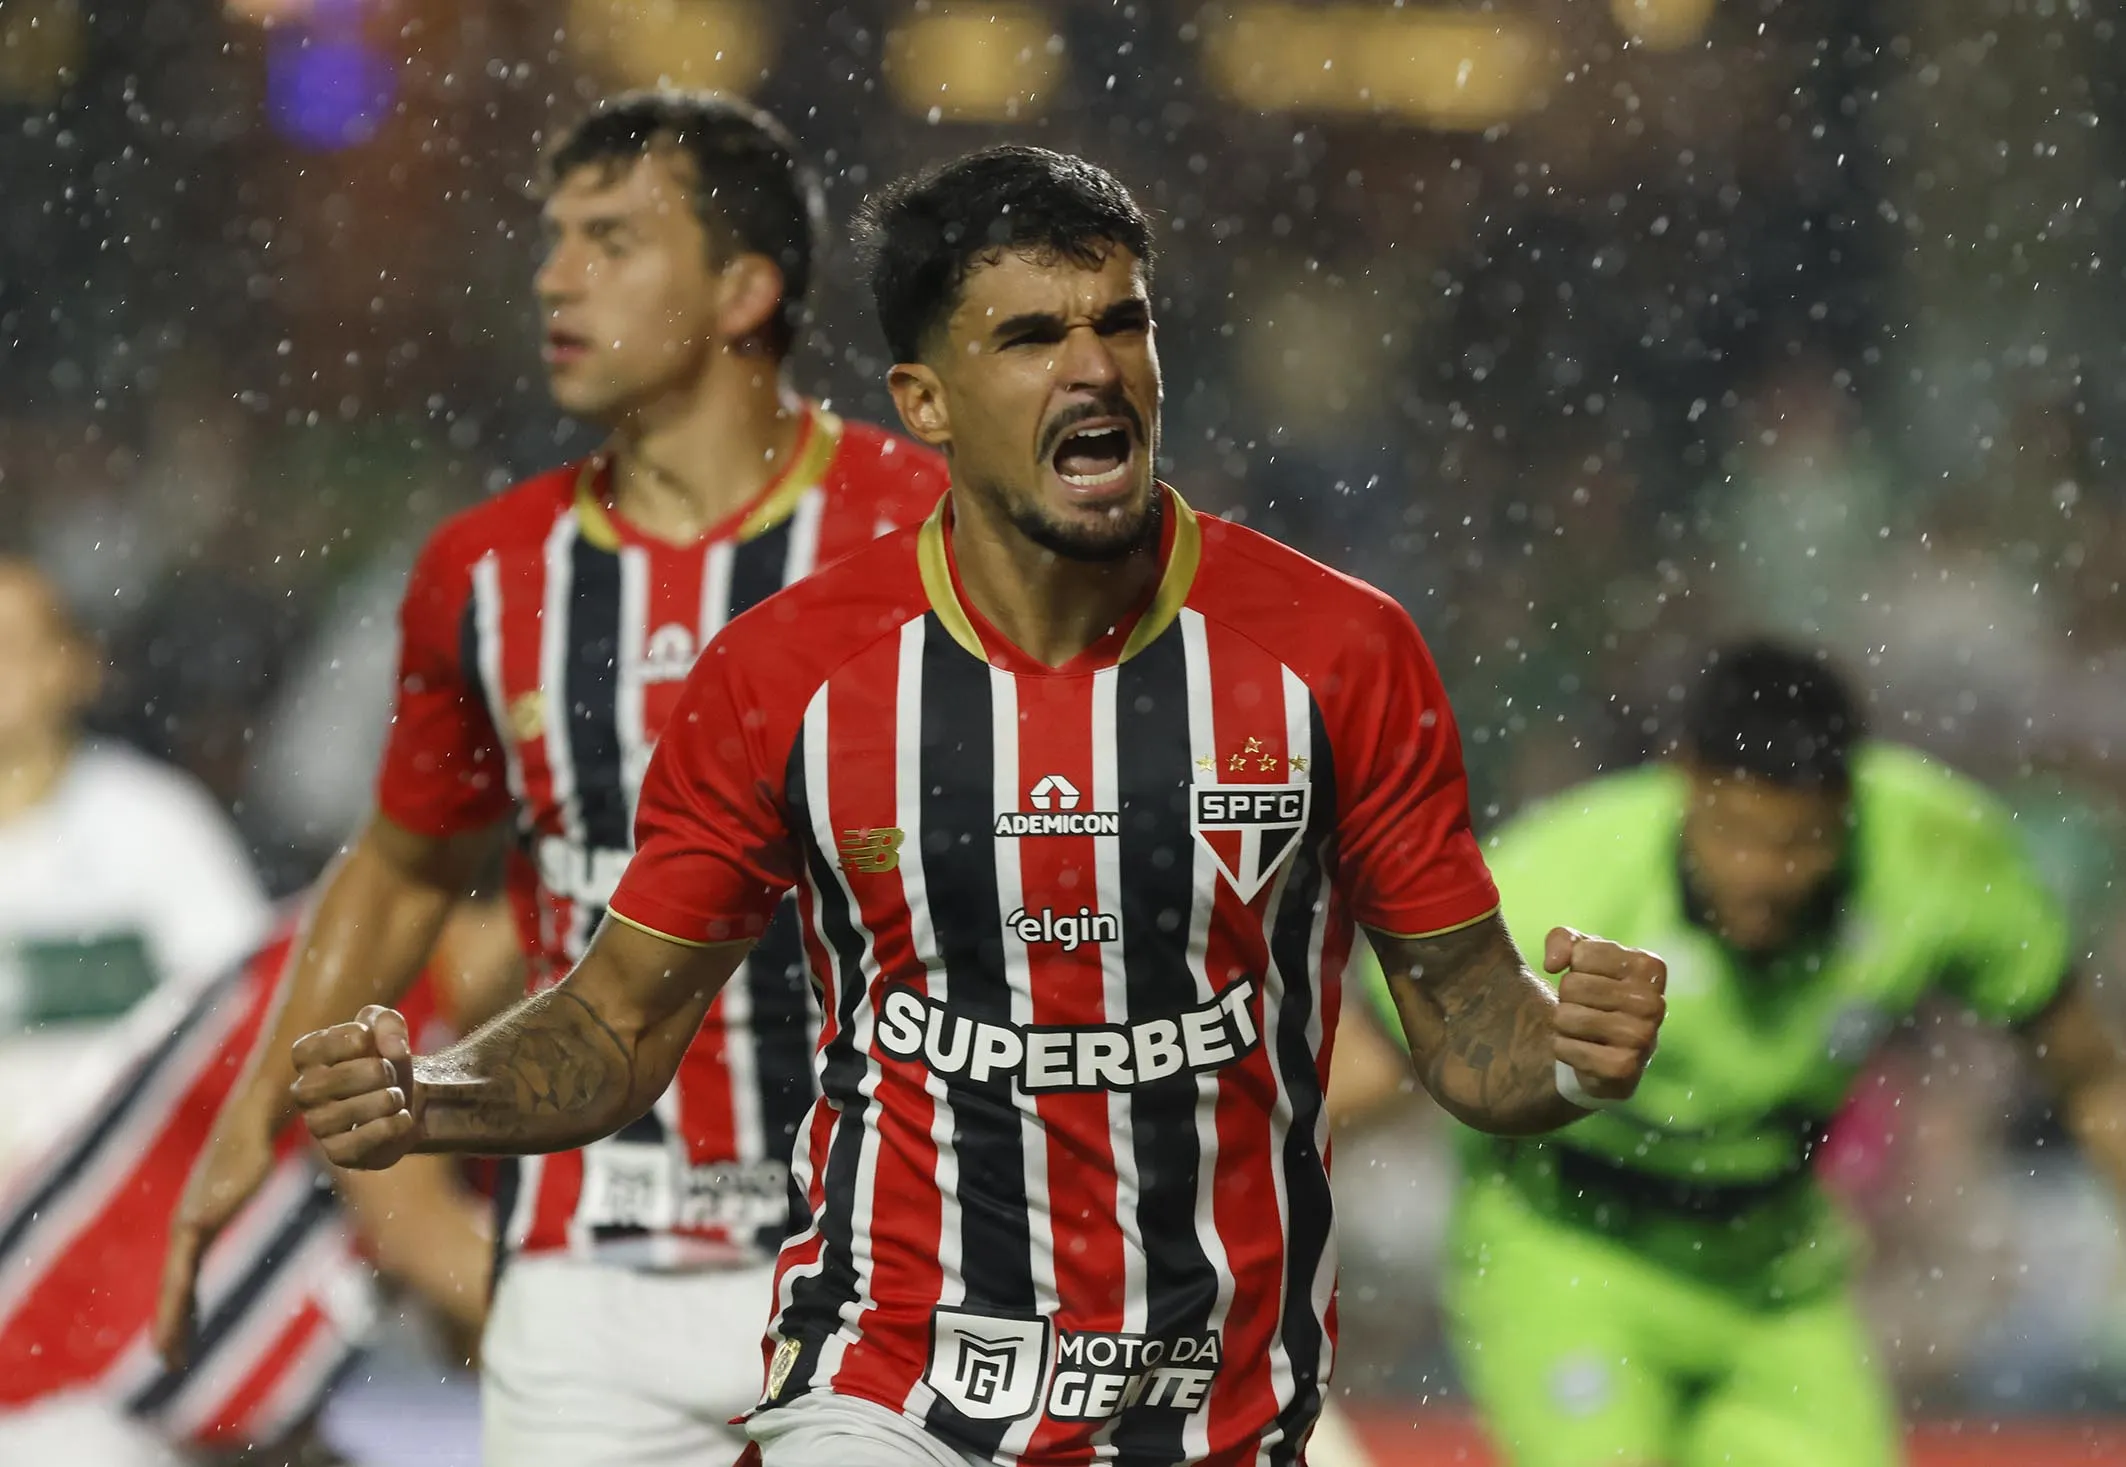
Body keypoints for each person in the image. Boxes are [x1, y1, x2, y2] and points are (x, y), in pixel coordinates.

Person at [286, 144, 1668, 1467]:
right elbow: (616, 1018)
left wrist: (1565, 1058)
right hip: (889, 1379)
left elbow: (1465, 1022)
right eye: (1029, 336)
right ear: (924, 399)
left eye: (1119, 322)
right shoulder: (788, 675)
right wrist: (437, 1093)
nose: (1093, 368)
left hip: (1209, 1401)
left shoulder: (1338, 652)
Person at [159, 90, 949, 1464]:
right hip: (585, 1277)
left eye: (612, 239)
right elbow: (406, 860)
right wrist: (245, 1129)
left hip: (886, 1251)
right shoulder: (490, 570)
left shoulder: (923, 533)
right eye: (552, 237)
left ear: (745, 289)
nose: (554, 275)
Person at [1333, 639, 2126, 1467]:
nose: (1767, 875)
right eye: (1740, 833)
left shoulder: (1939, 856)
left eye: (1803, 841)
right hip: (1569, 1256)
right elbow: (1376, 1066)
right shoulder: (1550, 887)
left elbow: (2094, 1079)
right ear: (1684, 779)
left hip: (1774, 1279)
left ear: (1850, 801)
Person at [0, 896, 509, 1465]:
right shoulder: (369, 971)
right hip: (51, 1409)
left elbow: (472, 1334)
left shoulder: (469, 1043)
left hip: (169, 1426)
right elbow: (424, 1242)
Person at [0, 558, 271, 1176]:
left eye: (13, 645)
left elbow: (244, 1008)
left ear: (72, 667)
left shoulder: (154, 824)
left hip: (119, 1200)